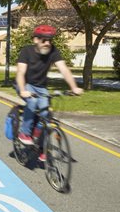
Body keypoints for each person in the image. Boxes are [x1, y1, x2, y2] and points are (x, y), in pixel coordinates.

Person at [16, 25, 83, 159]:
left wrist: (74, 87)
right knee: (33, 102)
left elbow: (64, 69)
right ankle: (24, 133)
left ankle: (41, 145)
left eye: (50, 40)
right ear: (36, 39)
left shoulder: (53, 51)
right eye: (44, 40)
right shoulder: (26, 51)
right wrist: (23, 90)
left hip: (41, 87)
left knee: (46, 114)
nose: (48, 43)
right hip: (26, 84)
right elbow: (20, 73)